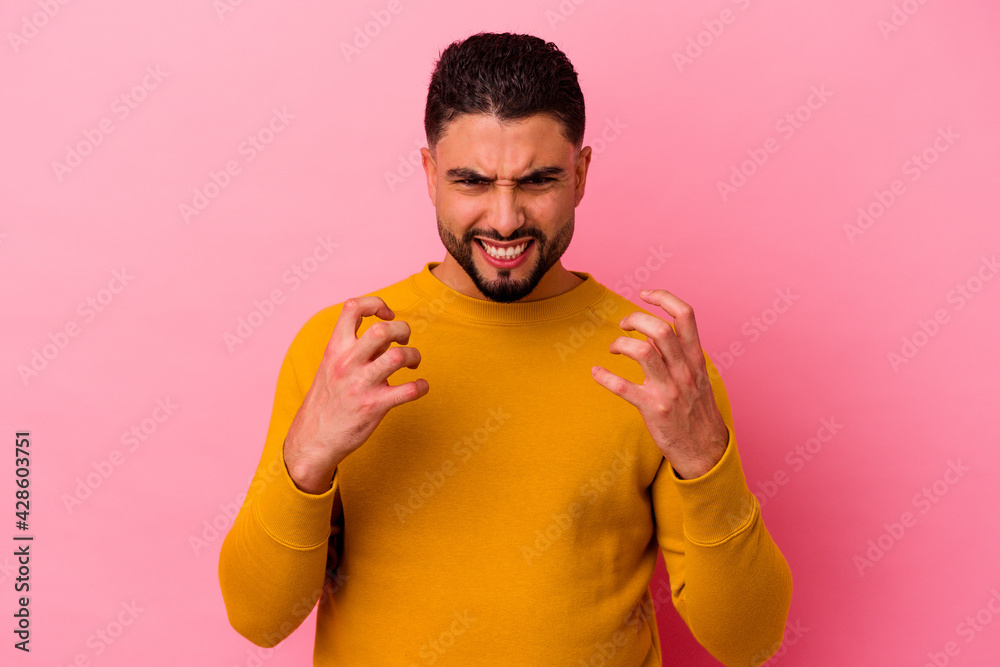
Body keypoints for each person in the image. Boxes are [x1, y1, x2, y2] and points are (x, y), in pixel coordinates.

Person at [218, 31, 793, 666]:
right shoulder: (347, 352)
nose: (504, 219)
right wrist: (307, 457)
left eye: (538, 180)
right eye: (471, 181)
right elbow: (258, 619)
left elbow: (749, 640)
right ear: (430, 175)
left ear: (580, 175)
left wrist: (706, 459)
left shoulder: (658, 364)